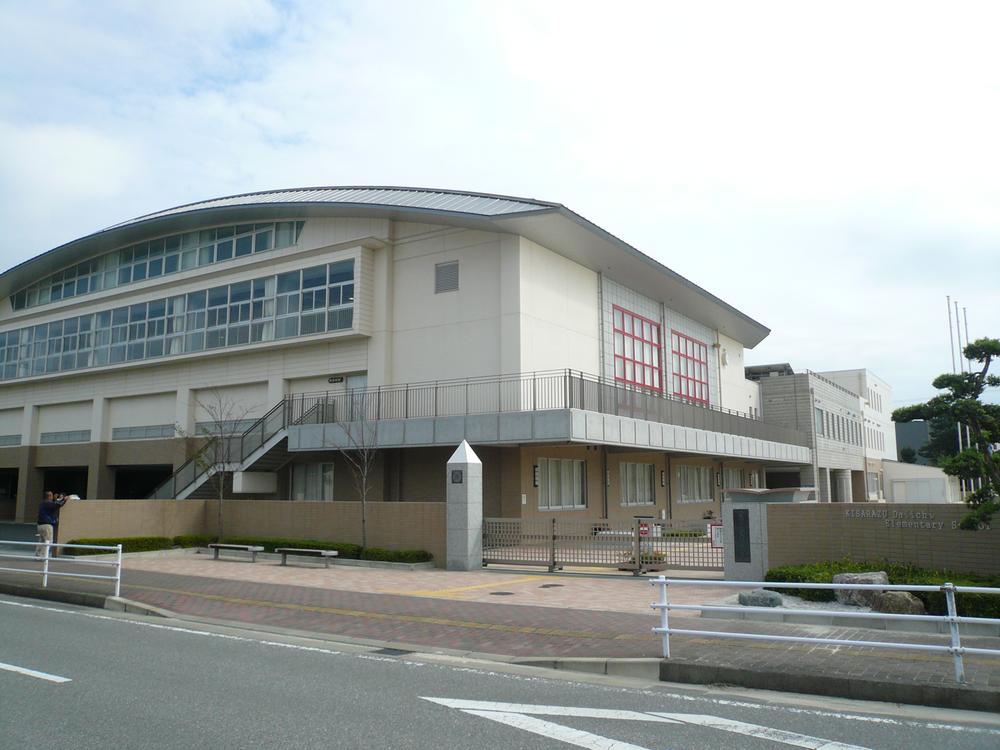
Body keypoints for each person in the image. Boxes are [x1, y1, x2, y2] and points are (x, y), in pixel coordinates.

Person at [36, 491, 71, 558]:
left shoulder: (43, 503)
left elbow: (54, 504)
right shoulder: (48, 503)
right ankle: (43, 556)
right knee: (48, 541)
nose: (52, 497)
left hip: (40, 525)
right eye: (51, 495)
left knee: (42, 541)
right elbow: (58, 505)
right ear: (49, 496)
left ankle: (38, 555)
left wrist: (57, 499)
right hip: (47, 525)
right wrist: (65, 499)